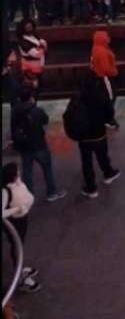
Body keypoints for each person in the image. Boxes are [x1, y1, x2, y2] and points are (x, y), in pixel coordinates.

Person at [11, 86, 66, 202]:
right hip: (39, 144)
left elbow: (13, 128)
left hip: (24, 146)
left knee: (27, 171)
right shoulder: (37, 110)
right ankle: (52, 193)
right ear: (31, 97)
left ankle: (28, 195)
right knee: (47, 169)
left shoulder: (15, 110)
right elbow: (46, 121)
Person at [72, 68, 121, 198]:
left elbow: (69, 114)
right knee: (102, 155)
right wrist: (107, 121)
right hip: (99, 133)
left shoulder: (77, 97)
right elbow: (109, 112)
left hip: (84, 136)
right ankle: (108, 173)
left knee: (86, 162)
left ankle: (91, 188)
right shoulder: (100, 95)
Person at [2, 162, 41, 294]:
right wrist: (17, 209)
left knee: (20, 244)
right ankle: (20, 277)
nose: (20, 172)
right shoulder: (5, 191)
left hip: (22, 219)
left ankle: (20, 266)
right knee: (17, 246)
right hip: (14, 222)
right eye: (17, 170)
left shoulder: (18, 184)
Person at [90, 29, 119, 128]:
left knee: (107, 97)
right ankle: (109, 119)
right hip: (105, 77)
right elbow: (105, 68)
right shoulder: (101, 51)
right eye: (107, 37)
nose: (109, 39)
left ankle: (106, 118)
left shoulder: (97, 48)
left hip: (100, 77)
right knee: (110, 97)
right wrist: (114, 72)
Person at [16, 19, 47, 98]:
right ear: (23, 29)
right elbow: (36, 54)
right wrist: (42, 46)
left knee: (38, 88)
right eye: (27, 28)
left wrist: (42, 47)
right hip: (30, 68)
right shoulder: (23, 41)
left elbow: (44, 47)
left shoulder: (35, 36)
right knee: (32, 88)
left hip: (38, 67)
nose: (30, 29)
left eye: (31, 27)